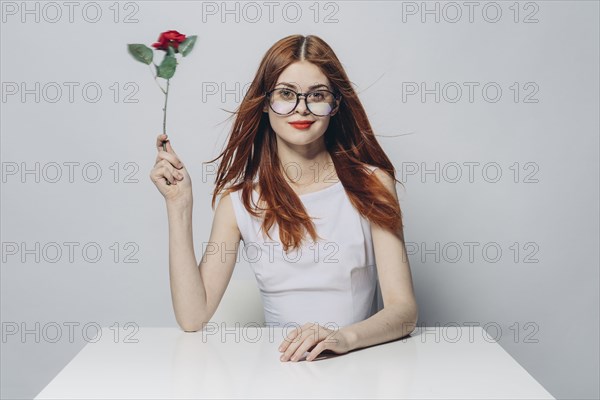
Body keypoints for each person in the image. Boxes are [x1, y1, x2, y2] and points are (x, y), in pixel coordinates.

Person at [150, 34, 418, 362]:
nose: (301, 108)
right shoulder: (239, 202)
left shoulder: (372, 184)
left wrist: (343, 339)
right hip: (278, 374)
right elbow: (193, 317)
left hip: (357, 368)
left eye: (317, 95)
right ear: (265, 101)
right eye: (286, 94)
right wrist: (179, 205)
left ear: (335, 104)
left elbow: (404, 310)